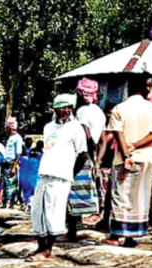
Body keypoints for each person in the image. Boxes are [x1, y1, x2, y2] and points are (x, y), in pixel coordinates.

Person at [98, 73, 152, 245]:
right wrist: (138, 145)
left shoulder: (120, 108)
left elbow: (118, 133)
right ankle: (132, 235)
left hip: (123, 158)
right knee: (140, 196)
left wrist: (128, 152)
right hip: (145, 158)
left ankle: (116, 234)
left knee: (120, 195)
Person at [29, 94, 89, 260]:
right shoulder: (48, 127)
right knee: (37, 210)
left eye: (67, 108)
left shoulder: (76, 128)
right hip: (44, 172)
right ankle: (40, 246)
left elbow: (83, 155)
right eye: (60, 108)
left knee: (53, 212)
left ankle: (47, 249)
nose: (64, 111)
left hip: (61, 175)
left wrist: (70, 172)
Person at [68, 78, 107, 237]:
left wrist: (84, 152)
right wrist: (97, 161)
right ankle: (74, 228)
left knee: (72, 192)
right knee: (83, 192)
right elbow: (103, 139)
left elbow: (86, 134)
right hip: (92, 156)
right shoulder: (99, 112)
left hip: (80, 156)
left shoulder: (81, 112)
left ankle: (72, 230)